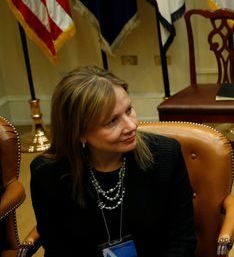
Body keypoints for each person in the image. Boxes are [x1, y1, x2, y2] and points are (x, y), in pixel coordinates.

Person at [29, 66, 196, 256]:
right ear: (79, 133)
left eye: (129, 110)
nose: (132, 125)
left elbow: (182, 240)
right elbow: (58, 248)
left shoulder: (165, 155)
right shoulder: (48, 173)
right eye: (112, 121)